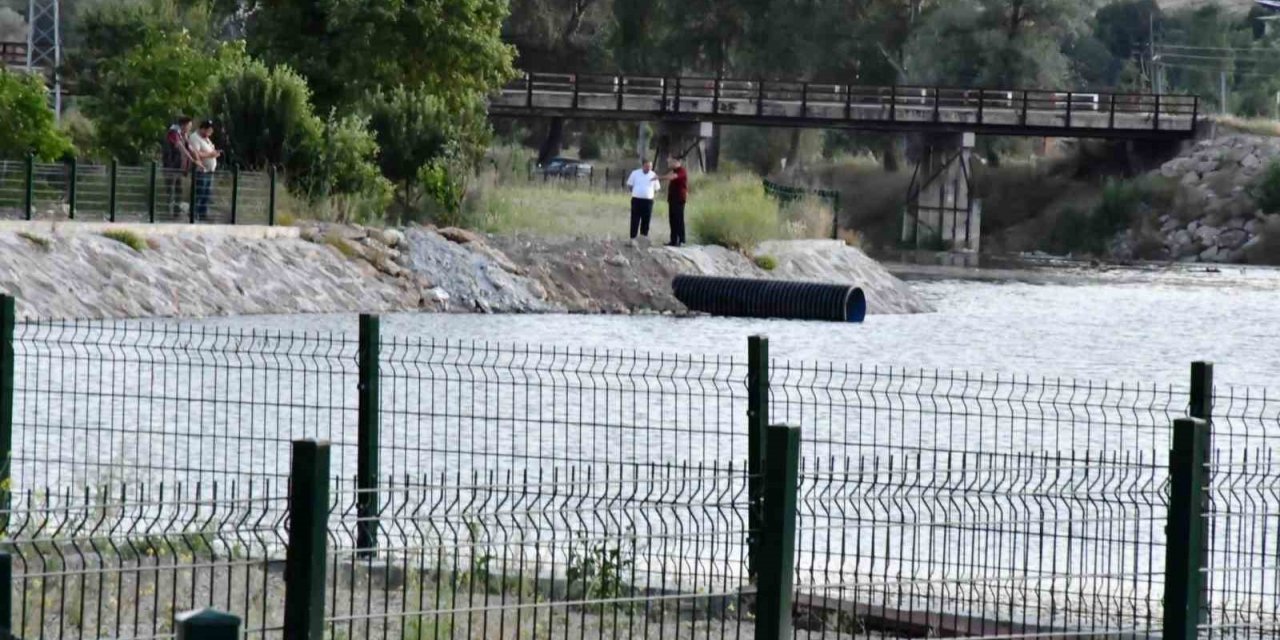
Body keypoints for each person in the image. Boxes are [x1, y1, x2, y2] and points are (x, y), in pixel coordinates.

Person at [162, 116, 197, 217]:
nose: (190, 128)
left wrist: (195, 158)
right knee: (171, 191)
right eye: (189, 125)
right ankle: (168, 214)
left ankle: (175, 213)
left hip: (179, 168)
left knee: (178, 190)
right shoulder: (174, 133)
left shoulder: (182, 134)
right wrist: (191, 158)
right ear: (184, 125)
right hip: (171, 167)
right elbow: (180, 147)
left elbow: (189, 147)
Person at [187, 120, 221, 221]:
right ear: (202, 129)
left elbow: (208, 151)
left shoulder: (206, 139)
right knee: (199, 193)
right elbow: (195, 153)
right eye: (208, 130)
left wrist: (214, 153)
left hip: (209, 171)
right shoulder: (195, 138)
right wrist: (211, 155)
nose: (210, 133)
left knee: (206, 194)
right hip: (200, 170)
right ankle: (194, 214)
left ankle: (203, 214)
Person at [625, 160, 660, 243]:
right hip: (637, 200)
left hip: (648, 201)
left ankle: (643, 238)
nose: (648, 168)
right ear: (643, 166)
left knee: (646, 220)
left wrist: (649, 194)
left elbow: (657, 188)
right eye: (647, 166)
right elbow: (630, 185)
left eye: (650, 167)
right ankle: (633, 238)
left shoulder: (653, 175)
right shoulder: (635, 173)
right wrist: (636, 192)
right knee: (635, 219)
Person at [659, 157, 688, 246]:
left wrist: (658, 177)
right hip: (672, 199)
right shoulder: (674, 170)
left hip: (679, 199)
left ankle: (681, 240)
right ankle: (673, 240)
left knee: (678, 219)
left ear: (676, 162)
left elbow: (672, 177)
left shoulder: (682, 171)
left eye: (671, 162)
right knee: (672, 220)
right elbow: (670, 174)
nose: (669, 164)